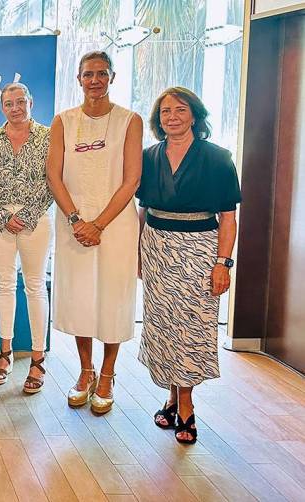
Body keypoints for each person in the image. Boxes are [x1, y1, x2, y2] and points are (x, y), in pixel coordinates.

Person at [138, 87, 241, 444]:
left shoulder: (218, 158)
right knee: (164, 324)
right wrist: (139, 254)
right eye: (165, 111)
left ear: (194, 115)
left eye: (180, 110)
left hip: (200, 249)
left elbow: (228, 218)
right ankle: (170, 397)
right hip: (157, 248)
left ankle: (186, 406)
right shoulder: (148, 157)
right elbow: (143, 209)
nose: (172, 117)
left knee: (192, 326)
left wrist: (223, 264)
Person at [46, 51, 143, 414]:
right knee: (80, 298)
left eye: (102, 73)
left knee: (113, 298)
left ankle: (107, 374)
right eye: (89, 74)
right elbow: (54, 175)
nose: (95, 80)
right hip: (74, 224)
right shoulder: (63, 121)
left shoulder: (129, 121)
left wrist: (98, 223)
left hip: (115, 225)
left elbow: (132, 178)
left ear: (112, 77)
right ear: (79, 79)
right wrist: (76, 220)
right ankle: (85, 371)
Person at [0, 83, 53, 392]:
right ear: (2, 108)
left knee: (36, 285)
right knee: (4, 283)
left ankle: (37, 360)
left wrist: (26, 215)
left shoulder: (49, 136)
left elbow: (53, 180)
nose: (15, 107)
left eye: (20, 101)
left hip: (36, 219)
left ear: (30, 102)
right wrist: (2, 216)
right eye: (9, 103)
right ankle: (5, 353)